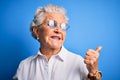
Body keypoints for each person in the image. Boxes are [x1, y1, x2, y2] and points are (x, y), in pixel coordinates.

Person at [13, 4, 102, 80]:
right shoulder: (24, 66)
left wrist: (93, 72)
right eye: (52, 24)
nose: (58, 30)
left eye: (63, 26)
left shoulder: (79, 62)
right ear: (36, 31)